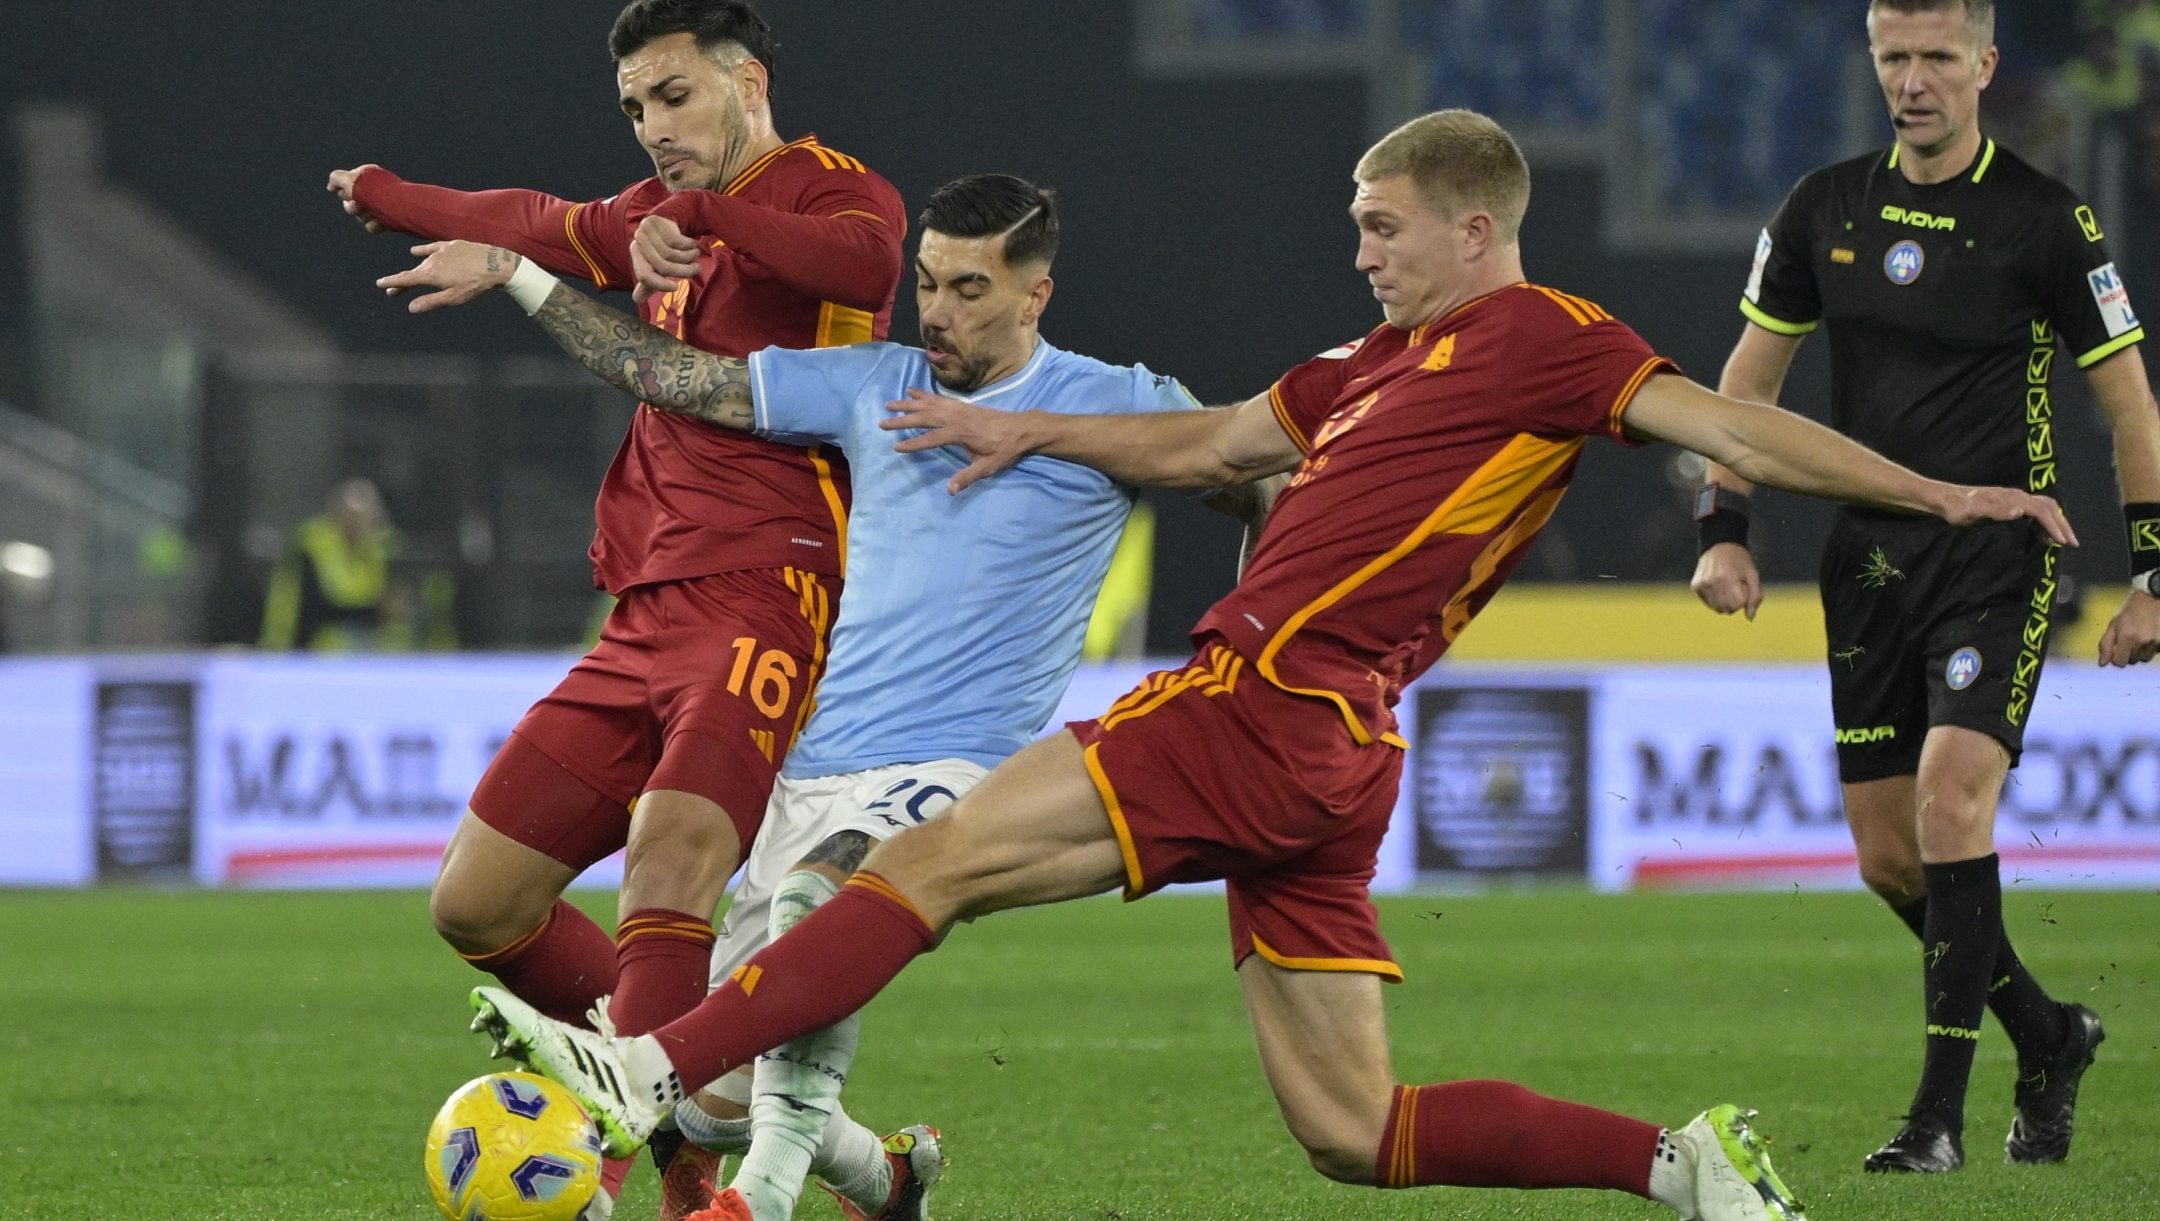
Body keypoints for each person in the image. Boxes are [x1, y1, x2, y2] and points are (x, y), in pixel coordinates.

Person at [461, 108, 2074, 1221]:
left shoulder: (1548, 339)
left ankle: (647, 1063)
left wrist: (1936, 491)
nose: (1363, 252)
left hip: (1266, 698)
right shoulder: (1359, 366)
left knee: (933, 864)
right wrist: (1030, 424)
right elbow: (1216, 438)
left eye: (1384, 229)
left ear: (1473, 224)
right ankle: (1683, 1169)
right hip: (1332, 754)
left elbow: (1726, 419)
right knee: (1350, 1134)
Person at [379, 174, 1248, 1221]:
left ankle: (761, 1201)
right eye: (927, 283)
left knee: (819, 901)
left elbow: (1264, 473)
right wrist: (521, 275)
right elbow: (673, 377)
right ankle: (885, 1183)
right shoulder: (871, 384)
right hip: (817, 764)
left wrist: (1248, 647)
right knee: (713, 1088)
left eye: (972, 289)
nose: (939, 311)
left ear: (1037, 296)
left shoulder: (1119, 401)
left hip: (961, 769)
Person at [329, 1, 906, 1214]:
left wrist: (698, 213)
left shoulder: (832, 191)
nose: (652, 127)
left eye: (674, 95)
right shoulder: (647, 220)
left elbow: (862, 269)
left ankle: (642, 1171)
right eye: (636, 106)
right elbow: (530, 222)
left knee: (673, 851)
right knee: (477, 903)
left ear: (748, 81)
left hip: (775, 583)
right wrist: (395, 190)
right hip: (644, 605)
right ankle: (732, 1138)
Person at [1690, 0, 2160, 1174]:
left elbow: (2130, 407)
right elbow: (1744, 389)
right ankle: (2050, 1036)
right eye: (1894, 57)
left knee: (1954, 807)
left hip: (2001, 556)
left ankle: (1935, 1121)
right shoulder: (1822, 207)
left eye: (1938, 58)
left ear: (1986, 67)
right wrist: (1726, 528)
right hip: (1870, 560)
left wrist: (2155, 573)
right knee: (1894, 861)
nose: (1914, 80)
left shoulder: (2048, 223)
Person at [259, 477, 403, 651]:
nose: (356, 525)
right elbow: (316, 607)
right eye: (350, 517)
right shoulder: (310, 546)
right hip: (313, 648)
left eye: (365, 517)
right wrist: (372, 610)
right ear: (334, 516)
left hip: (371, 651)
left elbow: (394, 608)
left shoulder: (385, 549)